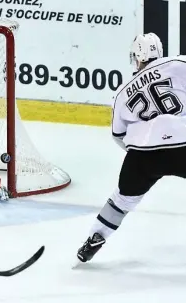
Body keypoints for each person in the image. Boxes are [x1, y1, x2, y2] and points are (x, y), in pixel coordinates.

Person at [77, 33, 186, 262]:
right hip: (183, 143)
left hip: (142, 154)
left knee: (122, 200)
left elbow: (119, 135)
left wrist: (141, 154)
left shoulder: (122, 93)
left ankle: (95, 238)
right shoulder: (178, 63)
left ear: (137, 57)